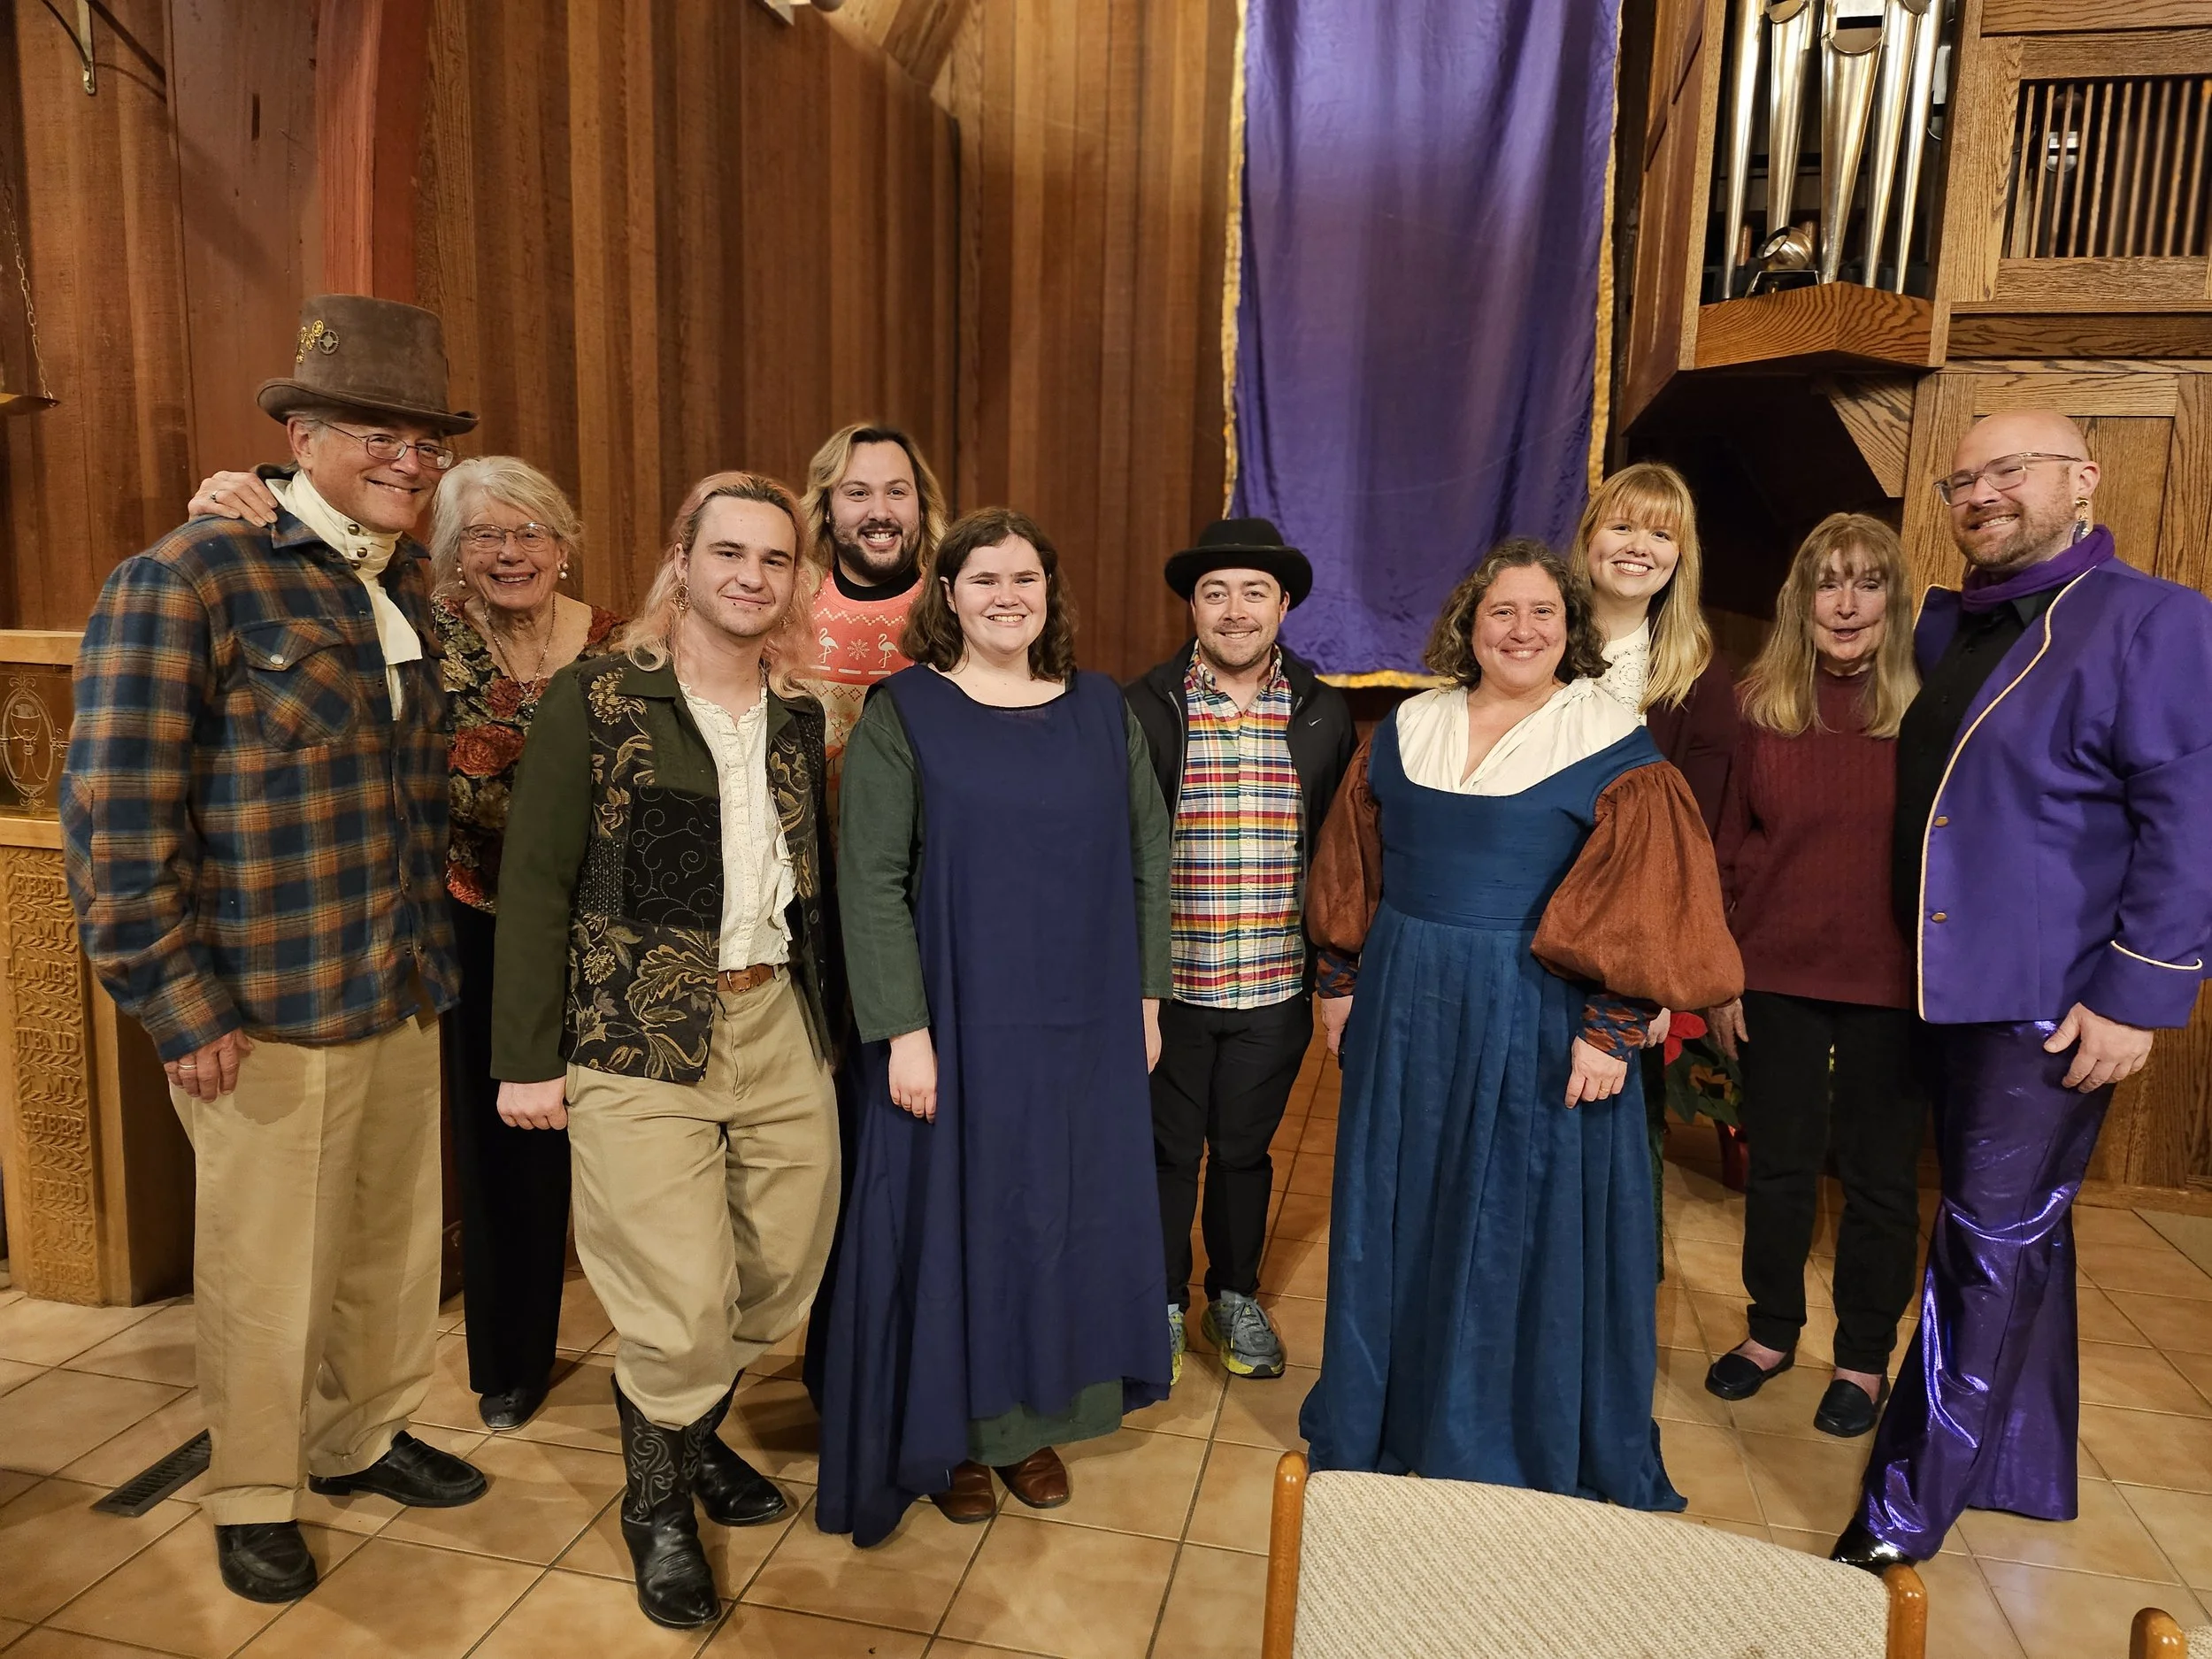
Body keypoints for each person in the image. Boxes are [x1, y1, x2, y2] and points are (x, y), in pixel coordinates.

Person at [61, 296, 488, 1605]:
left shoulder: (403, 580)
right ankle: (253, 1487)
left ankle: (358, 1434)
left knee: (385, 1243)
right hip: (263, 1002)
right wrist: (178, 1005)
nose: (410, 460)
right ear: (298, 433)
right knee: (262, 1267)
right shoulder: (185, 577)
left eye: (425, 440)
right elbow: (116, 816)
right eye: (377, 433)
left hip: (401, 979)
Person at [1832, 413, 2212, 1571]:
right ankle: (2020, 1463)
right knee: (2020, 1234)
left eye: (2011, 470)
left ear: (2082, 480)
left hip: (2048, 1000)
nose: (1981, 492)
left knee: (1985, 1244)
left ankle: (1897, 1519)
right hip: (1944, 983)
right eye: (1964, 478)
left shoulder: (2156, 618)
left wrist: (2140, 993)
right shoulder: (1955, 621)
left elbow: (2191, 815)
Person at [186, 455, 624, 1433]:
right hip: (467, 919)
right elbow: (316, 545)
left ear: (564, 543)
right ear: (450, 554)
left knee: (627, 1146)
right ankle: (510, 1361)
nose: (511, 553)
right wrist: (240, 493)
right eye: (483, 535)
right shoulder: (417, 624)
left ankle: (659, 1366)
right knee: (505, 1149)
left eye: (531, 532)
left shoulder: (619, 641)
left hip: (602, 927)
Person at [1299, 540, 1741, 1505]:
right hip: (1407, 1003)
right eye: (1502, 611)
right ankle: (1397, 1412)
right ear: (1469, 624)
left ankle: (1500, 1431)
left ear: (1569, 632)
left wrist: (1615, 1028)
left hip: (1538, 1016)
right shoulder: (1407, 727)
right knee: (1401, 1207)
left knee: (1515, 1221)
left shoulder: (1610, 742)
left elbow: (1648, 894)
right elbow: (1351, 862)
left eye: (1543, 613)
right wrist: (1338, 983)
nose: (1522, 630)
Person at [491, 472, 843, 1628]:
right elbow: (535, 882)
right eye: (729, 552)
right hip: (637, 1030)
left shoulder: (799, 709)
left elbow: (816, 880)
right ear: (681, 563)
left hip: (775, 1018)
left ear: (794, 580)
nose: (751, 575)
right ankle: (656, 1501)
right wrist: (526, 1058)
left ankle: (685, 1428)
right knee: (677, 1294)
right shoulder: (597, 698)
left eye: (775, 559)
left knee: (784, 1258)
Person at [815, 506, 1173, 1548]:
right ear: (949, 598)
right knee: (959, 1218)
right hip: (955, 1023)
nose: (1007, 596)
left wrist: (1146, 1004)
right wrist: (903, 1032)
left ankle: (1033, 1423)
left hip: (1086, 1021)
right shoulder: (906, 713)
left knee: (1055, 1213)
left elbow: (1151, 862)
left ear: (1049, 595)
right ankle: (957, 1429)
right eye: (984, 580)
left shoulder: (1103, 710)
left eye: (1025, 578)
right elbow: (870, 882)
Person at [1701, 515, 1923, 1440]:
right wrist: (1719, 974)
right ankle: (1770, 1333)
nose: (1844, 602)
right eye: (1826, 582)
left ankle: (1864, 1359)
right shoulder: (1759, 706)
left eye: (1866, 582)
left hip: (1896, 981)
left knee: (1877, 1180)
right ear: (1799, 599)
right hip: (1775, 972)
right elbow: (1723, 849)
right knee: (1781, 1167)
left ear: (1892, 601)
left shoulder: (1930, 709)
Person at [1125, 518, 1355, 1381]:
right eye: (1214, 593)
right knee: (1167, 1152)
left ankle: (1235, 1295)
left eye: (1253, 592)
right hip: (1169, 985)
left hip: (1272, 987)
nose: (1233, 611)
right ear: (1192, 605)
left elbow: (1339, 856)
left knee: (1245, 1153)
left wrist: (1334, 974)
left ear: (1283, 604)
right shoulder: (1143, 706)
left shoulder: (1323, 712)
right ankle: (1161, 1301)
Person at [1566, 461, 1739, 1233]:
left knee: (1616, 1164)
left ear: (1681, 556)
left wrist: (1658, 980)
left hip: (1627, 955)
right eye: (1623, 525)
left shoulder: (1700, 681)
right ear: (1590, 537)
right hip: (1514, 932)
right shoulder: (1532, 644)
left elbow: (1692, 846)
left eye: (1661, 533)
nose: (1639, 546)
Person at [802, 421, 949, 807]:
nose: (880, 511)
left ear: (921, 505)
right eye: (858, 493)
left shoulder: (955, 611)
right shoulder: (789, 605)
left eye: (897, 492)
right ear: (828, 509)